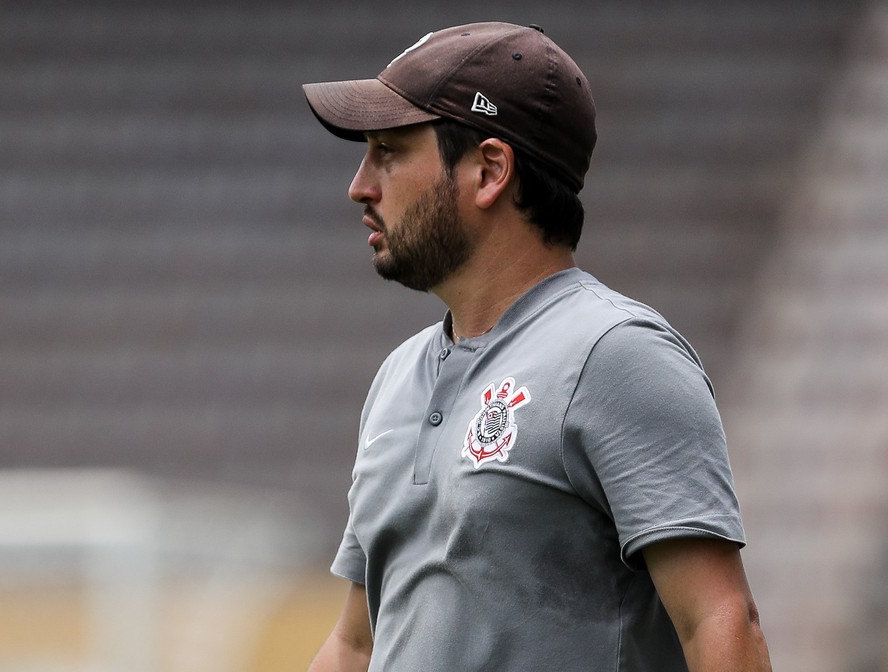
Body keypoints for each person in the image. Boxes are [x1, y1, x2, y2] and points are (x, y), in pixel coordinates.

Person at [301, 21, 771, 672]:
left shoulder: (617, 355)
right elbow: (357, 642)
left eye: (388, 151)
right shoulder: (397, 377)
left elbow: (720, 621)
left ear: (491, 170)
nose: (360, 185)